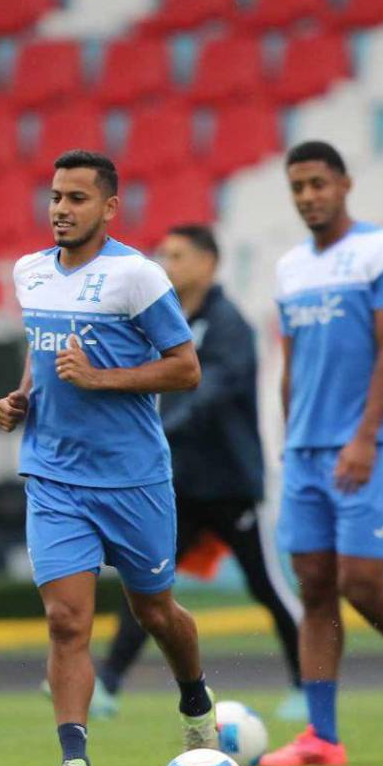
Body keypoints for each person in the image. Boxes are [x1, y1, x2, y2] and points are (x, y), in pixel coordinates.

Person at [0, 151, 217, 766]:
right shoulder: (29, 273)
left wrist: (102, 379)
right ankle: (75, 764)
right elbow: (44, 357)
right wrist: (22, 397)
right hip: (54, 475)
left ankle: (196, 700)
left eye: (77, 198)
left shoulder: (137, 278)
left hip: (132, 479)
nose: (61, 208)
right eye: (55, 196)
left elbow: (185, 369)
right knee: (67, 621)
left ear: (109, 208)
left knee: (155, 611)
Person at [260, 141, 383, 766]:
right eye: (298, 187)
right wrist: (290, 439)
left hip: (366, 443)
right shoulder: (290, 267)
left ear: (344, 184)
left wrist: (366, 436)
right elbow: (291, 366)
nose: (308, 196)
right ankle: (323, 736)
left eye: (318, 183)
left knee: (362, 584)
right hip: (306, 450)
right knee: (315, 587)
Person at [86, 224, 302, 719]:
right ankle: (110, 684)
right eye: (163, 253)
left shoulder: (228, 324)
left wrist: (160, 430)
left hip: (230, 484)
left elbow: (211, 390)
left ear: (209, 263)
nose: (167, 262)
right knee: (148, 584)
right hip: (180, 484)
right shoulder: (161, 321)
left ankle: (308, 685)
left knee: (267, 586)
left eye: (178, 254)